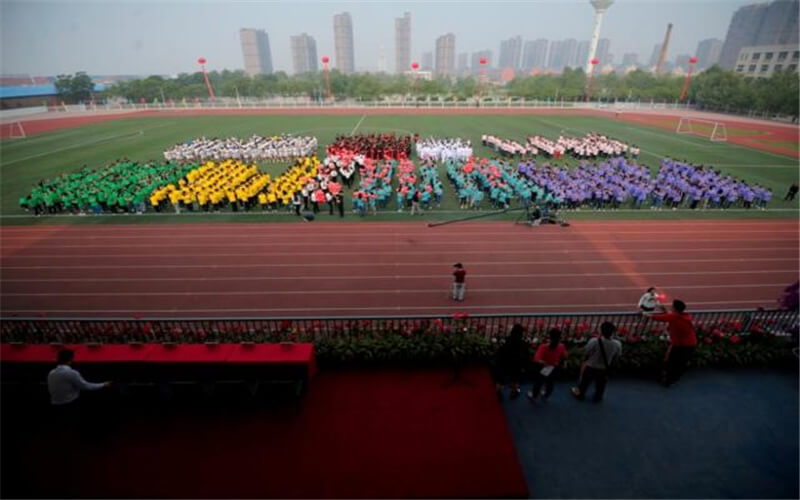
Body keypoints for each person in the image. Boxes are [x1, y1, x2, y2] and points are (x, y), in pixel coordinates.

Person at [646, 299, 697, 387]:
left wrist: (645, 314)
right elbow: (669, 315)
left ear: (675, 308)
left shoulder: (674, 317)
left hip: (681, 344)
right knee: (680, 363)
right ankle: (673, 379)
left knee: (671, 362)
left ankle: (668, 380)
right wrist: (662, 308)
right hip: (690, 343)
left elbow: (659, 318)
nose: (671, 307)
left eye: (672, 306)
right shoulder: (684, 315)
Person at [571, 321, 621, 402]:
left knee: (585, 382)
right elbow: (617, 356)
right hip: (604, 368)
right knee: (601, 385)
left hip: (591, 366)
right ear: (612, 332)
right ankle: (598, 397)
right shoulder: (617, 344)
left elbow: (586, 351)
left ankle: (580, 394)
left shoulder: (594, 341)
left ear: (601, 331)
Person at [527, 328, 568, 402]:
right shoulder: (562, 346)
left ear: (550, 336)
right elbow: (565, 356)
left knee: (539, 382)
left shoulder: (543, 347)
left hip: (544, 367)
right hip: (554, 367)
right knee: (550, 383)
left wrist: (544, 362)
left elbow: (536, 359)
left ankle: (534, 395)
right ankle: (545, 395)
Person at [494, 324, 531, 399]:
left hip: (504, 364)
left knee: (501, 380)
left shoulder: (505, 341)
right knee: (514, 380)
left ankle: (498, 392)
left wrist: (498, 363)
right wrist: (524, 367)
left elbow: (499, 352)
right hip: (516, 366)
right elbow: (526, 357)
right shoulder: (523, 344)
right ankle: (514, 392)